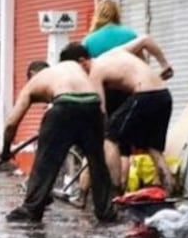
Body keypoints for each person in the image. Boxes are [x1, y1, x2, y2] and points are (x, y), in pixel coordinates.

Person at [0, 48, 117, 224]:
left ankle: (31, 209)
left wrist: (5, 150)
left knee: (45, 161)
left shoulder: (34, 83)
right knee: (97, 162)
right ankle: (106, 211)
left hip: (64, 109)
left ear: (31, 75)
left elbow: (11, 124)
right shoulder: (74, 69)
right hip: (93, 106)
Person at [69, 36, 176, 193]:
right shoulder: (115, 52)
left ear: (82, 61)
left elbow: (100, 110)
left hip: (144, 95)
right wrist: (164, 64)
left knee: (110, 138)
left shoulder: (95, 73)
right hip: (164, 95)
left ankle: (115, 190)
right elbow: (146, 40)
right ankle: (170, 189)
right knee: (154, 148)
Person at [73, 0, 141, 204]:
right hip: (126, 93)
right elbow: (142, 64)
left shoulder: (89, 40)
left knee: (95, 143)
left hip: (100, 93)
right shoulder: (131, 35)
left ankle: (82, 194)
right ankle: (120, 193)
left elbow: (83, 71)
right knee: (123, 146)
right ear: (117, 14)